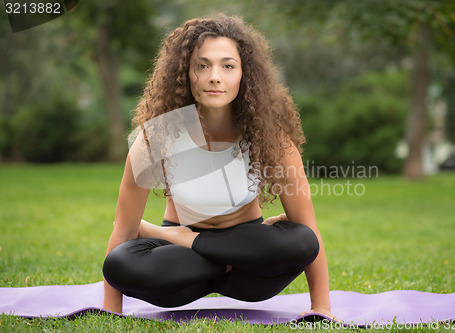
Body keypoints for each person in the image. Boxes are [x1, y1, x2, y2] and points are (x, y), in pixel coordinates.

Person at [102, 14, 334, 320]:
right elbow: (123, 231)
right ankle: (195, 246)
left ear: (244, 74)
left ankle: (192, 242)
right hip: (183, 268)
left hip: (247, 266)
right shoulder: (156, 137)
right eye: (202, 65)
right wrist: (109, 311)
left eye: (227, 65)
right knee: (121, 262)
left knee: (302, 240)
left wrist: (321, 308)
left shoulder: (272, 135)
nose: (215, 76)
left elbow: (309, 231)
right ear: (185, 73)